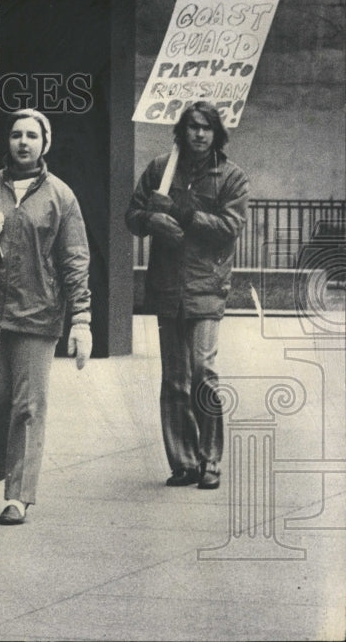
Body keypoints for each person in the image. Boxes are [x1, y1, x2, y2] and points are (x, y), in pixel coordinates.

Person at [0, 108, 92, 526]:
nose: (22, 142)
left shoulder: (61, 196)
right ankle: (15, 467)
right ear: (7, 142)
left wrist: (81, 318)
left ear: (46, 143)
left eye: (31, 135)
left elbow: (75, 258)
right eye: (15, 135)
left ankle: (18, 496)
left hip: (39, 313)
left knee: (29, 405)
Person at [125, 101, 248, 490]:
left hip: (207, 289)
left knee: (203, 373)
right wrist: (151, 220)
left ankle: (211, 460)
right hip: (165, 288)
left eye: (206, 128)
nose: (198, 134)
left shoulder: (231, 177)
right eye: (192, 127)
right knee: (175, 380)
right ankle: (184, 462)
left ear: (217, 133)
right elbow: (133, 215)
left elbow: (229, 226)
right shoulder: (161, 169)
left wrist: (180, 211)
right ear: (182, 130)